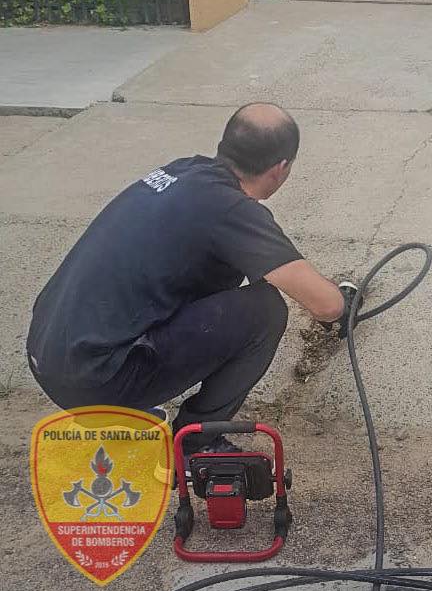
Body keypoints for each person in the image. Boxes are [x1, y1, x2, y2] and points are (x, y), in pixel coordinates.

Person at [26, 103, 354, 455]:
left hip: (46, 355)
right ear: (280, 168)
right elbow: (327, 305)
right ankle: (193, 445)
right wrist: (343, 303)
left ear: (226, 145)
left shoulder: (182, 171)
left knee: (213, 280)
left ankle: (128, 412)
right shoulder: (232, 210)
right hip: (95, 382)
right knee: (266, 311)